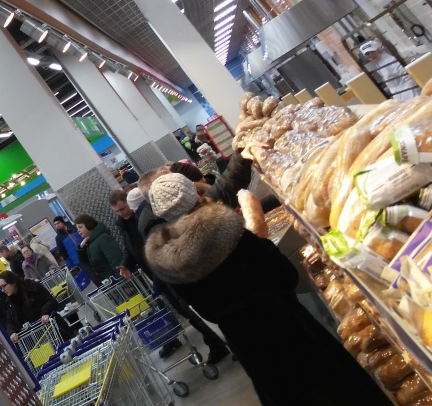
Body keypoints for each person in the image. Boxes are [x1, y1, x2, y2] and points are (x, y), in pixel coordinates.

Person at [143, 172, 387, 405]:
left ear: (162, 213)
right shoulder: (226, 230)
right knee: (335, 388)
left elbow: (206, 312)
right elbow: (286, 275)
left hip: (245, 343)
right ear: (194, 194)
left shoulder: (168, 263)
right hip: (284, 325)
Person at [109, 187, 229, 364]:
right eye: (117, 211)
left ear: (130, 203)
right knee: (186, 312)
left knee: (194, 309)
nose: (121, 213)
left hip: (168, 272)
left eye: (123, 208)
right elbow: (131, 248)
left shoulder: (145, 220)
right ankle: (217, 343)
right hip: (159, 276)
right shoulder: (123, 224)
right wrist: (127, 264)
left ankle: (221, 342)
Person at [0, 271, 66, 342]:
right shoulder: (10, 302)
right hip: (38, 340)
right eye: (0, 288)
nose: (3, 290)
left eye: (4, 286)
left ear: (13, 282)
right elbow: (10, 321)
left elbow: (51, 301)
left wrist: (45, 312)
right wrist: (12, 332)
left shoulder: (32, 287)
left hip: (56, 330)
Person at [73, 214, 123, 284]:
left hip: (117, 281)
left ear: (88, 225)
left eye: (80, 227)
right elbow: (85, 262)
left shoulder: (103, 238)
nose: (78, 231)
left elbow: (116, 259)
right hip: (108, 282)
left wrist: (121, 279)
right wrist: (81, 248)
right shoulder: (89, 244)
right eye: (77, 229)